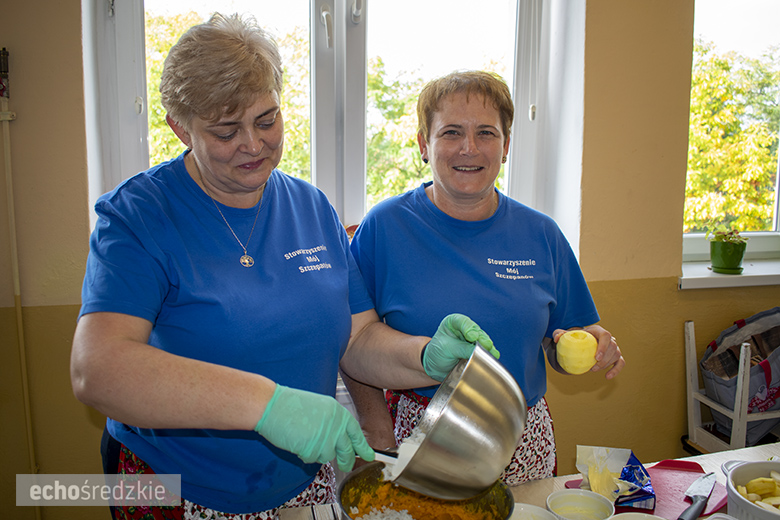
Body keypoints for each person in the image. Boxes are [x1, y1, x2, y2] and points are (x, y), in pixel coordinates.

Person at [70, 16, 497, 520]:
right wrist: (266, 404)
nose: (253, 144)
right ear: (180, 127)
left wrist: (425, 356)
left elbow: (357, 340)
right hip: (177, 488)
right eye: (226, 131)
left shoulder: (311, 207)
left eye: (267, 120)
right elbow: (97, 370)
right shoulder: (139, 214)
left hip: (300, 480)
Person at [346, 70, 626, 485]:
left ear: (506, 146)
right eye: (452, 132)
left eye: (487, 133)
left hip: (521, 438)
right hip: (418, 432)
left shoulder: (541, 234)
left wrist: (593, 342)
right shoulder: (384, 228)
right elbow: (353, 343)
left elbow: (561, 337)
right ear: (425, 144)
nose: (469, 148)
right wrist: (377, 433)